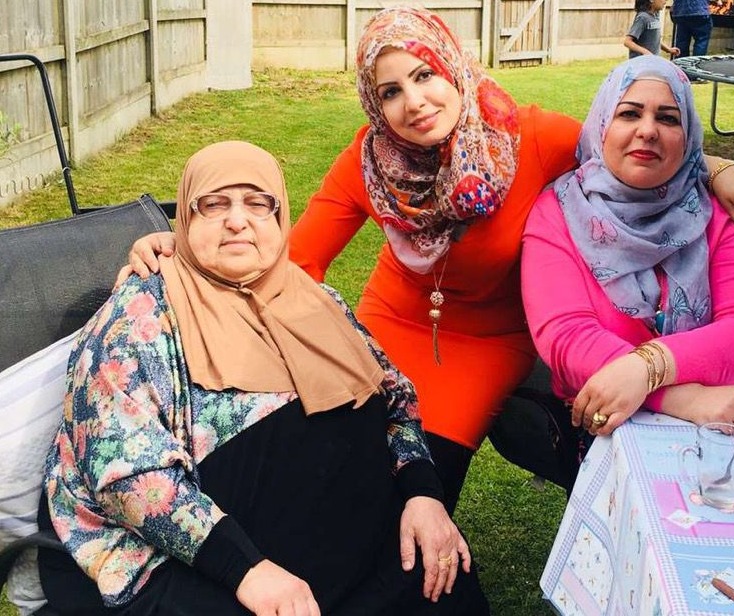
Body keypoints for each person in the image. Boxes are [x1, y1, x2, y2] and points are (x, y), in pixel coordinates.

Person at [123, 7, 734, 514]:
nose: (415, 102)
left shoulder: (531, 137)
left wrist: (717, 167)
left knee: (423, 476)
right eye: (392, 90)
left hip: (488, 339)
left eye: (425, 75)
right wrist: (179, 254)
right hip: (388, 323)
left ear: (453, 68)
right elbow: (295, 257)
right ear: (375, 103)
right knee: (338, 461)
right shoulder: (370, 162)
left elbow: (628, 141)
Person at [39, 141, 489, 616]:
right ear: (186, 223)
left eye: (259, 203)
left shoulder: (317, 301)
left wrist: (423, 495)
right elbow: (128, 475)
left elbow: (395, 400)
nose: (238, 220)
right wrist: (246, 570)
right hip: (214, 566)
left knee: (446, 585)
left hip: (358, 548)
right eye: (214, 204)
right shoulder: (137, 319)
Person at [521, 56, 734, 454]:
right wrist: (683, 399)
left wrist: (646, 368)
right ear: (602, 125)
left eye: (668, 118)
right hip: (620, 414)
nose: (648, 131)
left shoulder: (725, 208)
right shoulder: (558, 212)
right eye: (629, 114)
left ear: (689, 135)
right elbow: (567, 338)